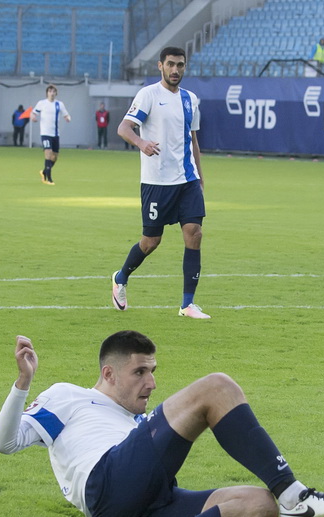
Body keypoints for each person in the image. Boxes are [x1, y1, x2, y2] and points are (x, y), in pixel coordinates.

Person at [0, 332, 324, 517]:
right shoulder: (69, 398)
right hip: (106, 482)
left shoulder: (139, 423)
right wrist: (23, 383)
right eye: (140, 372)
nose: (151, 382)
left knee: (261, 506)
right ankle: (296, 496)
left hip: (143, 508)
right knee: (216, 386)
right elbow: (4, 443)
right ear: (108, 374)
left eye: (153, 370)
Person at [111, 47, 210, 319]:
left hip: (187, 180)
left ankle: (187, 304)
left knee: (194, 233)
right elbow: (124, 128)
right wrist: (141, 143)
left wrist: (200, 176)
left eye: (180, 65)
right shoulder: (149, 95)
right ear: (160, 66)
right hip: (156, 183)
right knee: (150, 242)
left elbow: (193, 140)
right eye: (170, 64)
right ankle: (120, 278)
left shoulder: (191, 100)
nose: (175, 70)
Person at [31, 84, 71, 185]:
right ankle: (48, 178)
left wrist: (67, 118)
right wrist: (33, 117)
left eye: (53, 91)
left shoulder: (59, 104)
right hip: (45, 133)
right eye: (50, 91)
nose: (52, 93)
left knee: (55, 156)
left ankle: (44, 171)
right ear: (47, 93)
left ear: (56, 93)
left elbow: (66, 114)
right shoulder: (42, 103)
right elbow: (33, 113)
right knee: (48, 153)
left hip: (55, 134)